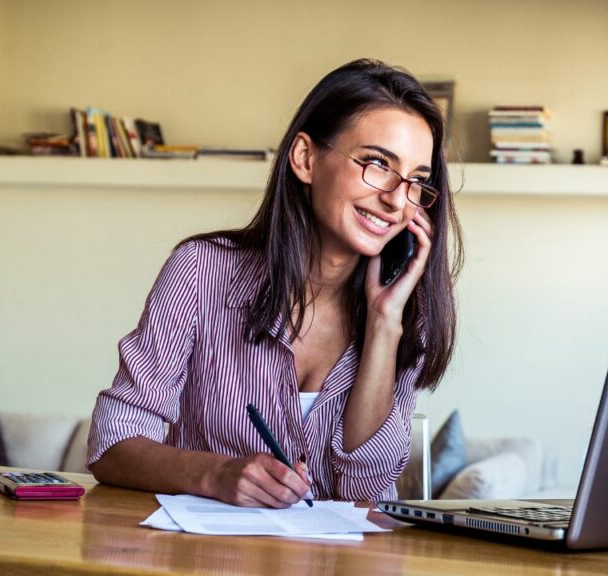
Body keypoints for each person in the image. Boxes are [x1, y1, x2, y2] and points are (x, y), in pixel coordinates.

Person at [87, 59, 462, 507]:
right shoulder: (201, 272)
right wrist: (217, 473)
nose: (397, 199)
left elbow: (365, 489)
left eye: (416, 181)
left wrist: (384, 324)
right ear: (306, 158)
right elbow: (112, 445)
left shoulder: (404, 313)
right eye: (377, 163)